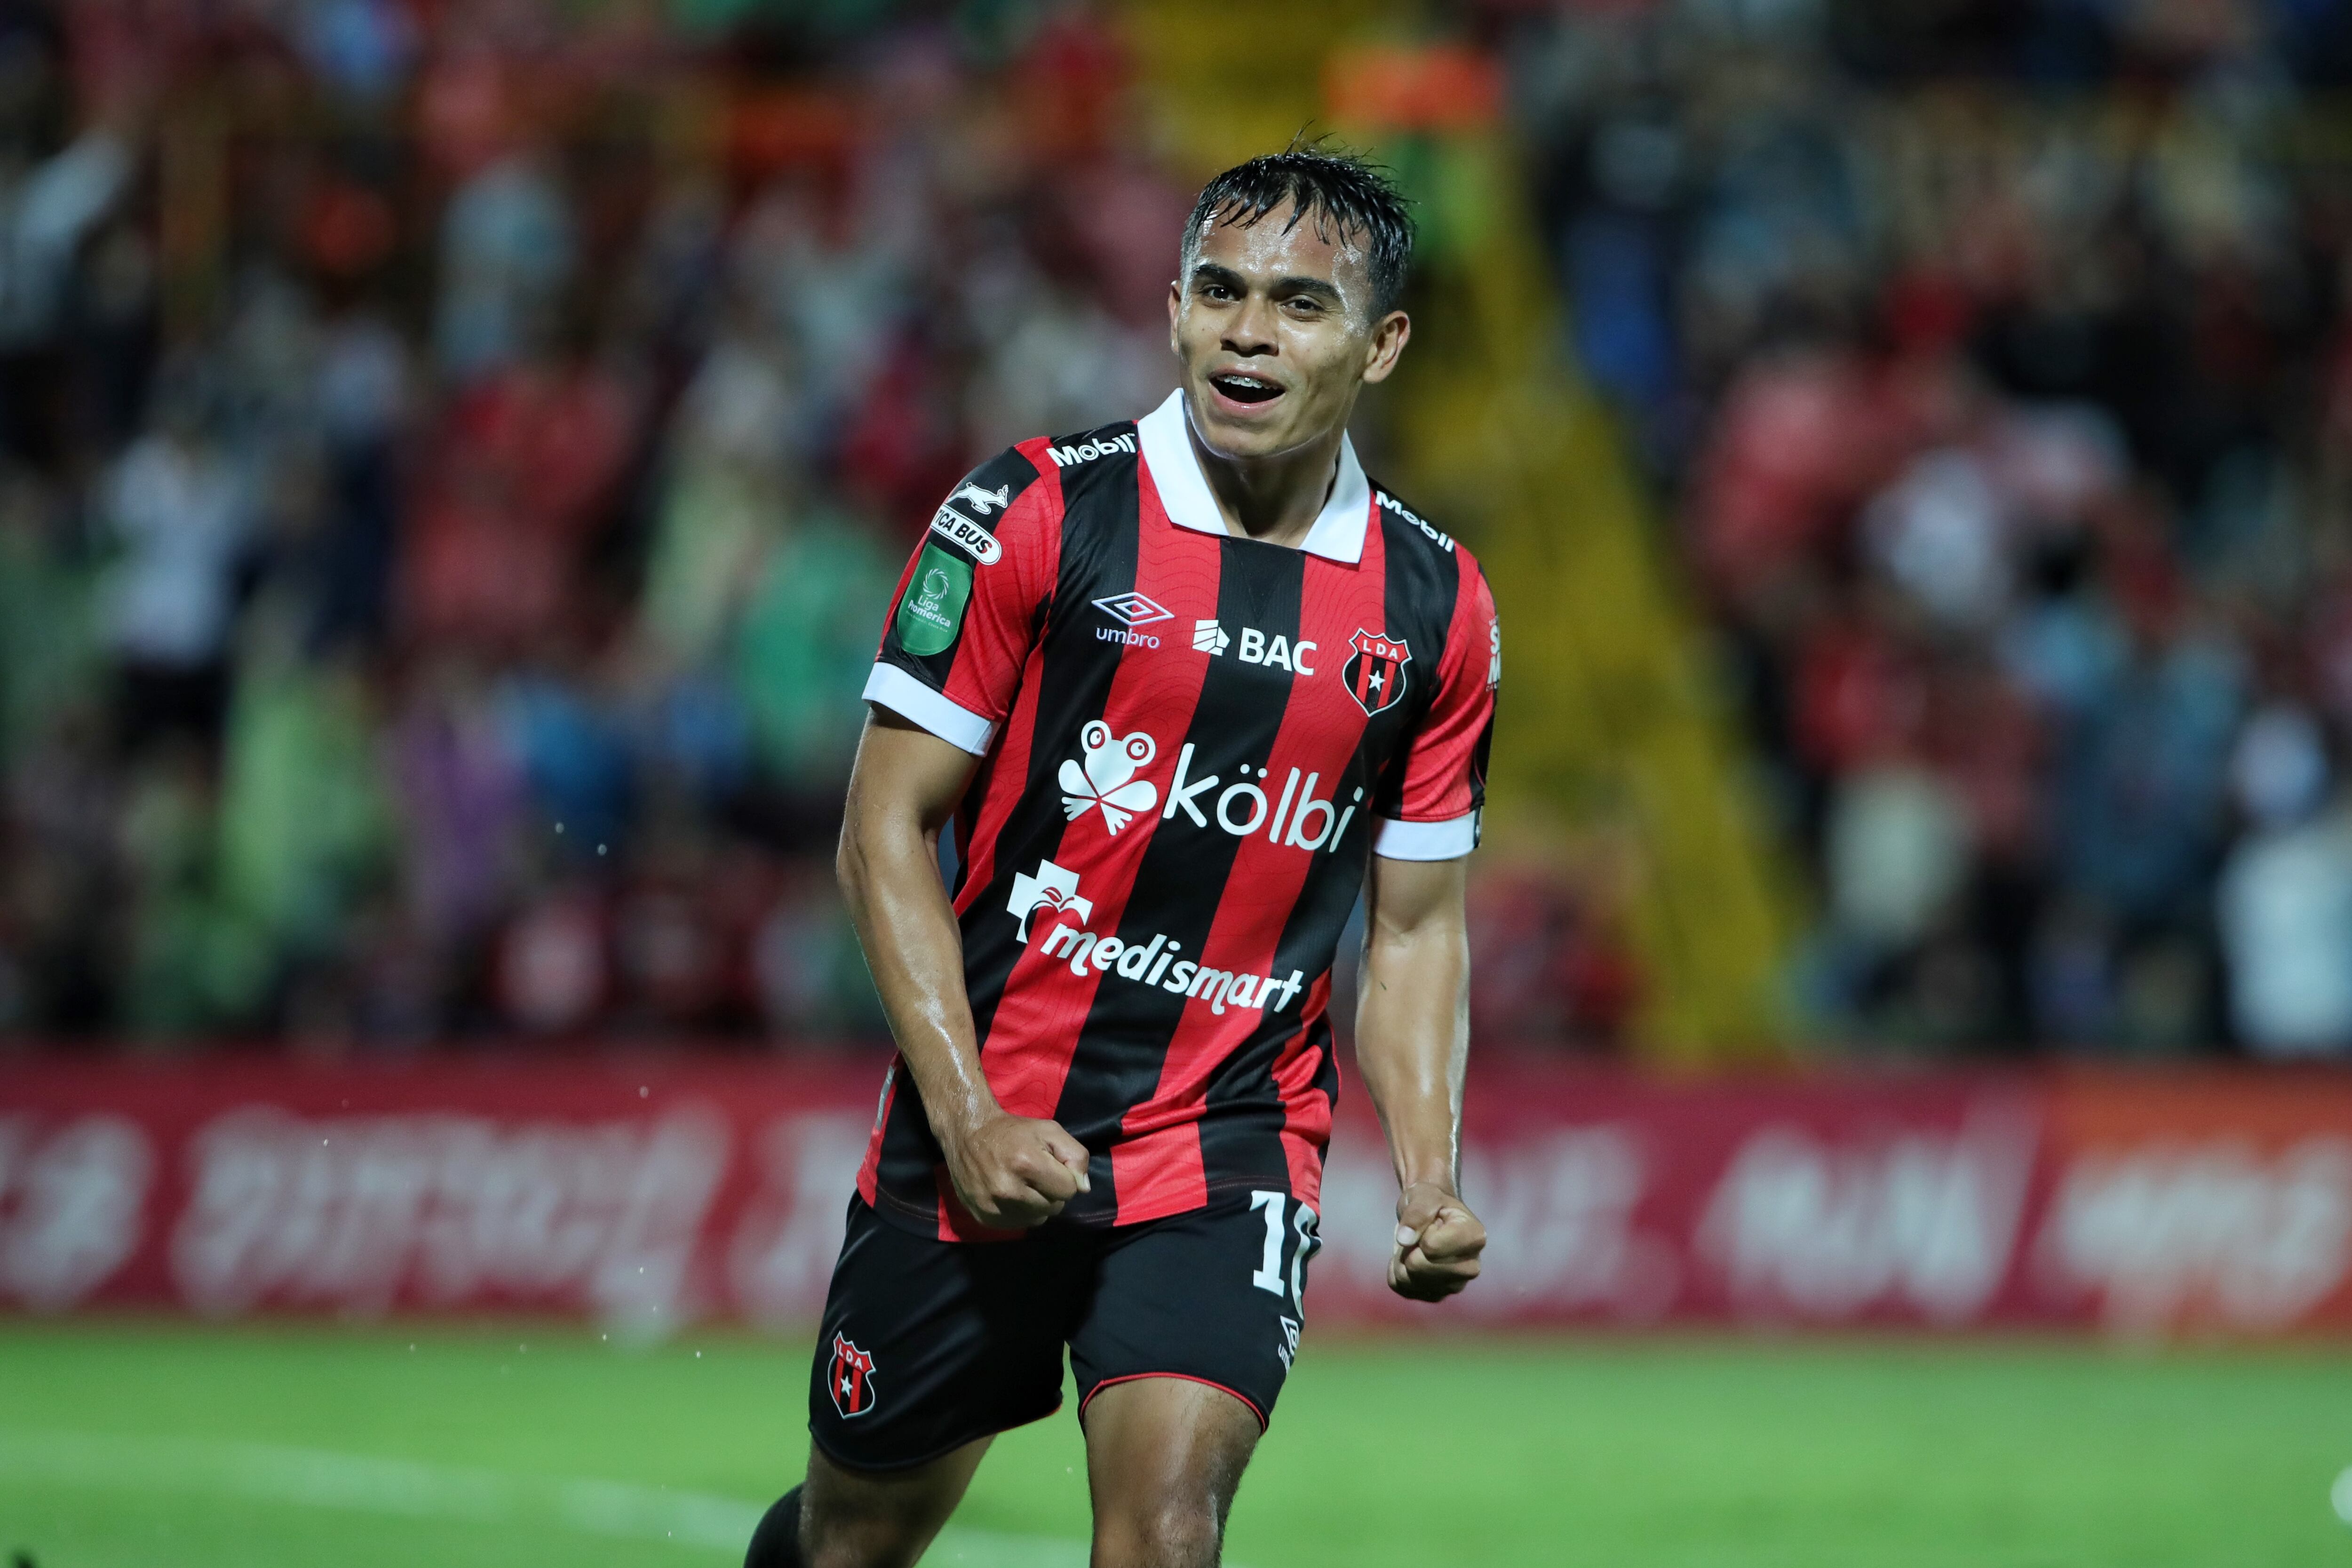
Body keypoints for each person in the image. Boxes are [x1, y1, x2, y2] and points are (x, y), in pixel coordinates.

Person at [746, 146, 1500, 1568]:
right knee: (854, 1539)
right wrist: (965, 1115)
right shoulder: (1036, 510)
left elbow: (1411, 927)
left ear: (1382, 342)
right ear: (1171, 309)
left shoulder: (1439, 605)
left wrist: (1428, 1174)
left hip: (1228, 1143)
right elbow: (882, 826)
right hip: (986, 1122)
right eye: (1219, 291)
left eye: (1300, 304)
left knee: (1165, 1533)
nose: (1248, 331)